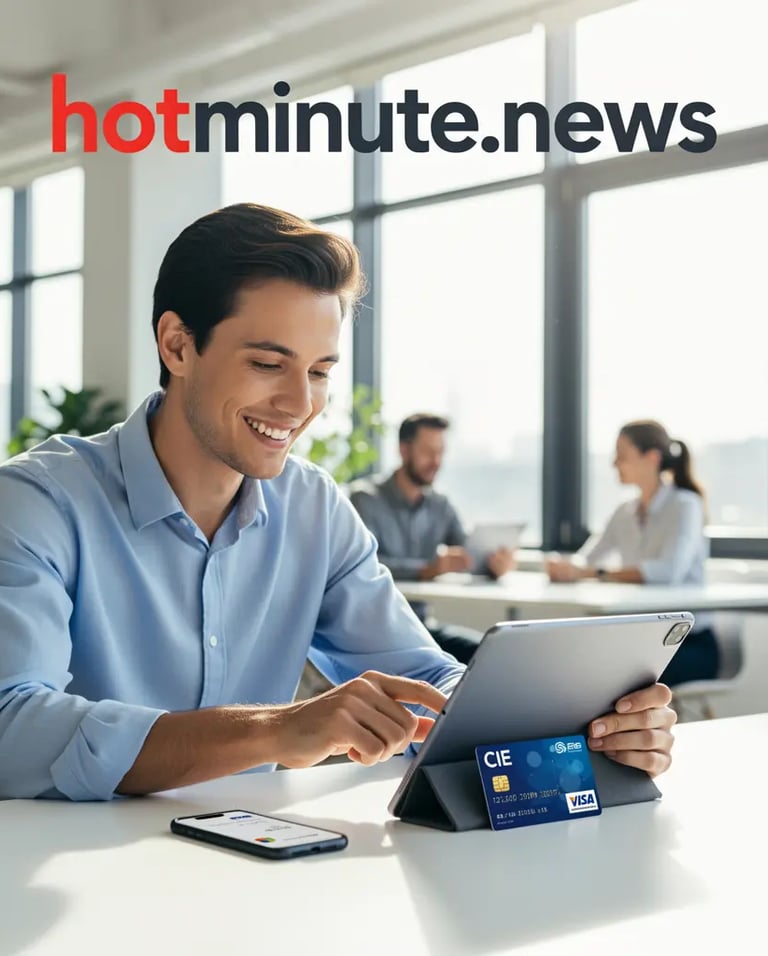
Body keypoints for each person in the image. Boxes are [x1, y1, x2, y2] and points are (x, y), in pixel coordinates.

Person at [0, 204, 675, 801]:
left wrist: (587, 725)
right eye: (268, 364)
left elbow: (422, 678)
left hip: (246, 865)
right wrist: (273, 730)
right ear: (177, 344)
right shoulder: (40, 502)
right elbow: (12, 727)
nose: (300, 406)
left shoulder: (313, 508)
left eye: (320, 372)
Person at [546, 419, 718, 686]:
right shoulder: (624, 512)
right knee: (571, 666)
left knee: (606, 678)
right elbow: (588, 558)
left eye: (622, 456)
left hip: (689, 645)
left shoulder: (685, 505)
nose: (614, 464)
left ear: (651, 458)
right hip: (642, 643)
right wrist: (564, 567)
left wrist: (593, 573)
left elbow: (668, 572)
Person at [349, 414, 516, 663]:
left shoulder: (440, 505)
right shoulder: (364, 499)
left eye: (441, 452)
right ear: (403, 450)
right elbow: (364, 566)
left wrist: (493, 564)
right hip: (374, 634)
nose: (436, 461)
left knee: (494, 654)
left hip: (421, 627)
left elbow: (468, 553)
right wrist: (428, 569)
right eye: (428, 452)